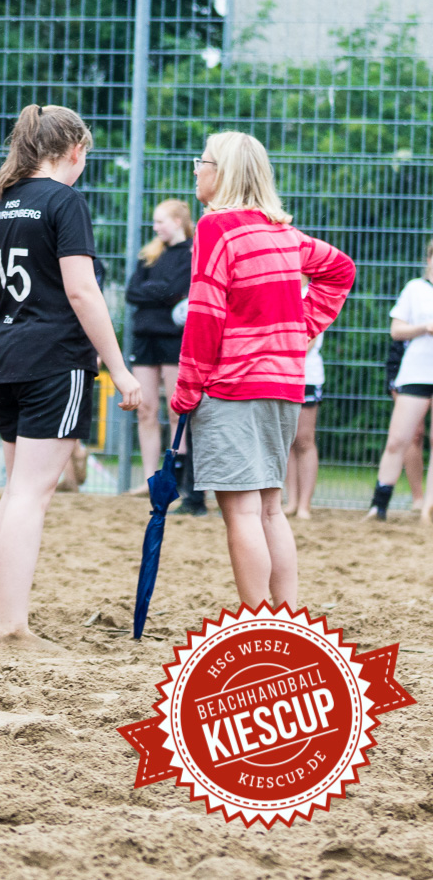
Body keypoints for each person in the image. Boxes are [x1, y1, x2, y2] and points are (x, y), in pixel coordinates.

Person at [0, 104, 142, 651]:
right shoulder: (64, 200)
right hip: (54, 357)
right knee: (31, 493)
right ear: (75, 151)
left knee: (14, 491)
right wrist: (118, 369)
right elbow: (81, 290)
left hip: (5, 354)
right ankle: (15, 627)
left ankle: (1, 614)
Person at [171, 131, 354, 612]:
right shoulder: (283, 234)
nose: (196, 168)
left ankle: (255, 621)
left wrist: (186, 390)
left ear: (222, 172)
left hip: (233, 387)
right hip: (284, 385)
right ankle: (288, 617)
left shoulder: (216, 229)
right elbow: (341, 270)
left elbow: (205, 316)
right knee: (272, 508)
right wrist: (301, 328)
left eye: (202, 160)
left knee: (243, 513)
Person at [124, 199, 194, 491]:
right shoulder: (150, 254)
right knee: (146, 409)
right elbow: (132, 292)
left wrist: (155, 291)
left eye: (160, 221)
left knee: (176, 412)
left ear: (178, 221)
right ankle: (151, 479)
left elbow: (175, 291)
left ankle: (176, 478)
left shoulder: (191, 254)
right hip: (145, 338)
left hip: (173, 340)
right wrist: (160, 291)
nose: (155, 228)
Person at [366, 240, 433, 522]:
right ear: (428, 258)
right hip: (416, 373)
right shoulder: (415, 289)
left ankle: (427, 509)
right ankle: (379, 506)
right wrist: (425, 327)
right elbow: (397, 330)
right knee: (399, 439)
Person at [284, 332, 324, 520]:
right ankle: (291, 502)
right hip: (281, 375)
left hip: (307, 375)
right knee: (288, 440)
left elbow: (311, 336)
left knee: (304, 439)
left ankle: (304, 505)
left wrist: (284, 357)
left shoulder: (308, 300)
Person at [383, 338, 426, 513]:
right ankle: (418, 498)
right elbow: (397, 340)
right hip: (412, 375)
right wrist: (392, 378)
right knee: (413, 434)